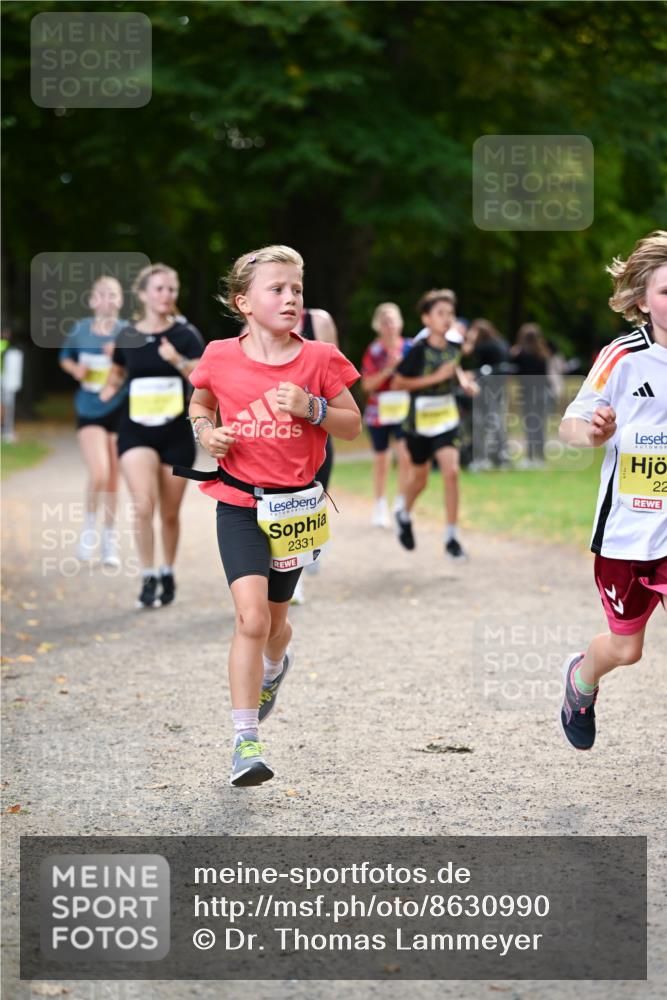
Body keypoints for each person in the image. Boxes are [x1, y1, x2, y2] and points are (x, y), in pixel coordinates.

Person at [182, 245, 360, 787]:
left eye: (297, 290)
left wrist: (313, 409)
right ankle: (244, 743)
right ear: (244, 302)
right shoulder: (218, 354)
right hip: (237, 502)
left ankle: (275, 668)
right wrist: (206, 434)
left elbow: (352, 425)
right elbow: (201, 405)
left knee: (277, 626)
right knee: (251, 619)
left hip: (295, 510)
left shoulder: (320, 359)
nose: (290, 299)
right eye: (277, 289)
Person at [559, 230, 667, 751]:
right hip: (626, 533)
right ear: (644, 300)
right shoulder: (623, 356)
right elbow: (571, 425)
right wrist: (594, 431)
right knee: (627, 651)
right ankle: (581, 680)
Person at [99, 263, 204, 608]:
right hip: (136, 432)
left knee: (170, 513)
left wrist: (177, 360)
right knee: (143, 504)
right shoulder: (127, 334)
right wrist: (108, 388)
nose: (166, 295)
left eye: (171, 289)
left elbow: (204, 381)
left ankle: (167, 569)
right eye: (158, 289)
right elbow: (117, 372)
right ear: (142, 294)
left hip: (175, 434)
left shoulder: (186, 336)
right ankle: (146, 574)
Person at [391, 290, 477, 560]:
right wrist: (434, 378)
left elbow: (454, 368)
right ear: (426, 318)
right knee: (420, 479)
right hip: (419, 423)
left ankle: (451, 537)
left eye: (450, 313)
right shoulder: (417, 350)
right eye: (440, 313)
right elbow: (398, 383)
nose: (446, 318)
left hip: (447, 419)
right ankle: (404, 514)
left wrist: (464, 382)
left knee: (451, 472)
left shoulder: (454, 347)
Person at [58, 276, 128, 565]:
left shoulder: (127, 332)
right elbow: (65, 358)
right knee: (99, 472)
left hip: (120, 410)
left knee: (113, 478)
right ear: (92, 300)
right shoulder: (81, 330)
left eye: (113, 294)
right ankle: (88, 532)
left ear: (121, 300)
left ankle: (108, 541)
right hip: (89, 408)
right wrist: (76, 369)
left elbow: (139, 369)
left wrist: (119, 358)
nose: (108, 299)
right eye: (102, 294)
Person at [290, 306, 340, 601]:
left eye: (295, 289)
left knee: (317, 493)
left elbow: (334, 372)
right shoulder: (253, 326)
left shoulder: (319, 320)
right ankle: (293, 580)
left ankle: (314, 537)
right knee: (288, 501)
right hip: (280, 430)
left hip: (316, 425)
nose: (289, 297)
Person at [360, 302, 412, 527]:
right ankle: (380, 505)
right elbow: (367, 385)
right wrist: (389, 369)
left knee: (405, 456)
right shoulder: (374, 351)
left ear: (400, 323)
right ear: (377, 326)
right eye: (385, 321)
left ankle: (400, 504)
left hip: (403, 409)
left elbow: (417, 380)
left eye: (393, 320)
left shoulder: (410, 347)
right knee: (382, 459)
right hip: (378, 410)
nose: (390, 325)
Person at [466, 318, 511, 471]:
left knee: (483, 422)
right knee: (497, 421)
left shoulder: (484, 346)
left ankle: (482, 458)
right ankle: (502, 455)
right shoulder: (500, 342)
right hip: (499, 388)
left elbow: (467, 351)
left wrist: (470, 339)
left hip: (487, 389)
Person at [511, 323, 550, 467]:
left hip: (528, 393)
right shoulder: (542, 353)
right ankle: (539, 457)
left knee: (530, 425)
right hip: (541, 393)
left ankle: (531, 456)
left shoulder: (521, 354)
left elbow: (516, 372)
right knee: (539, 425)